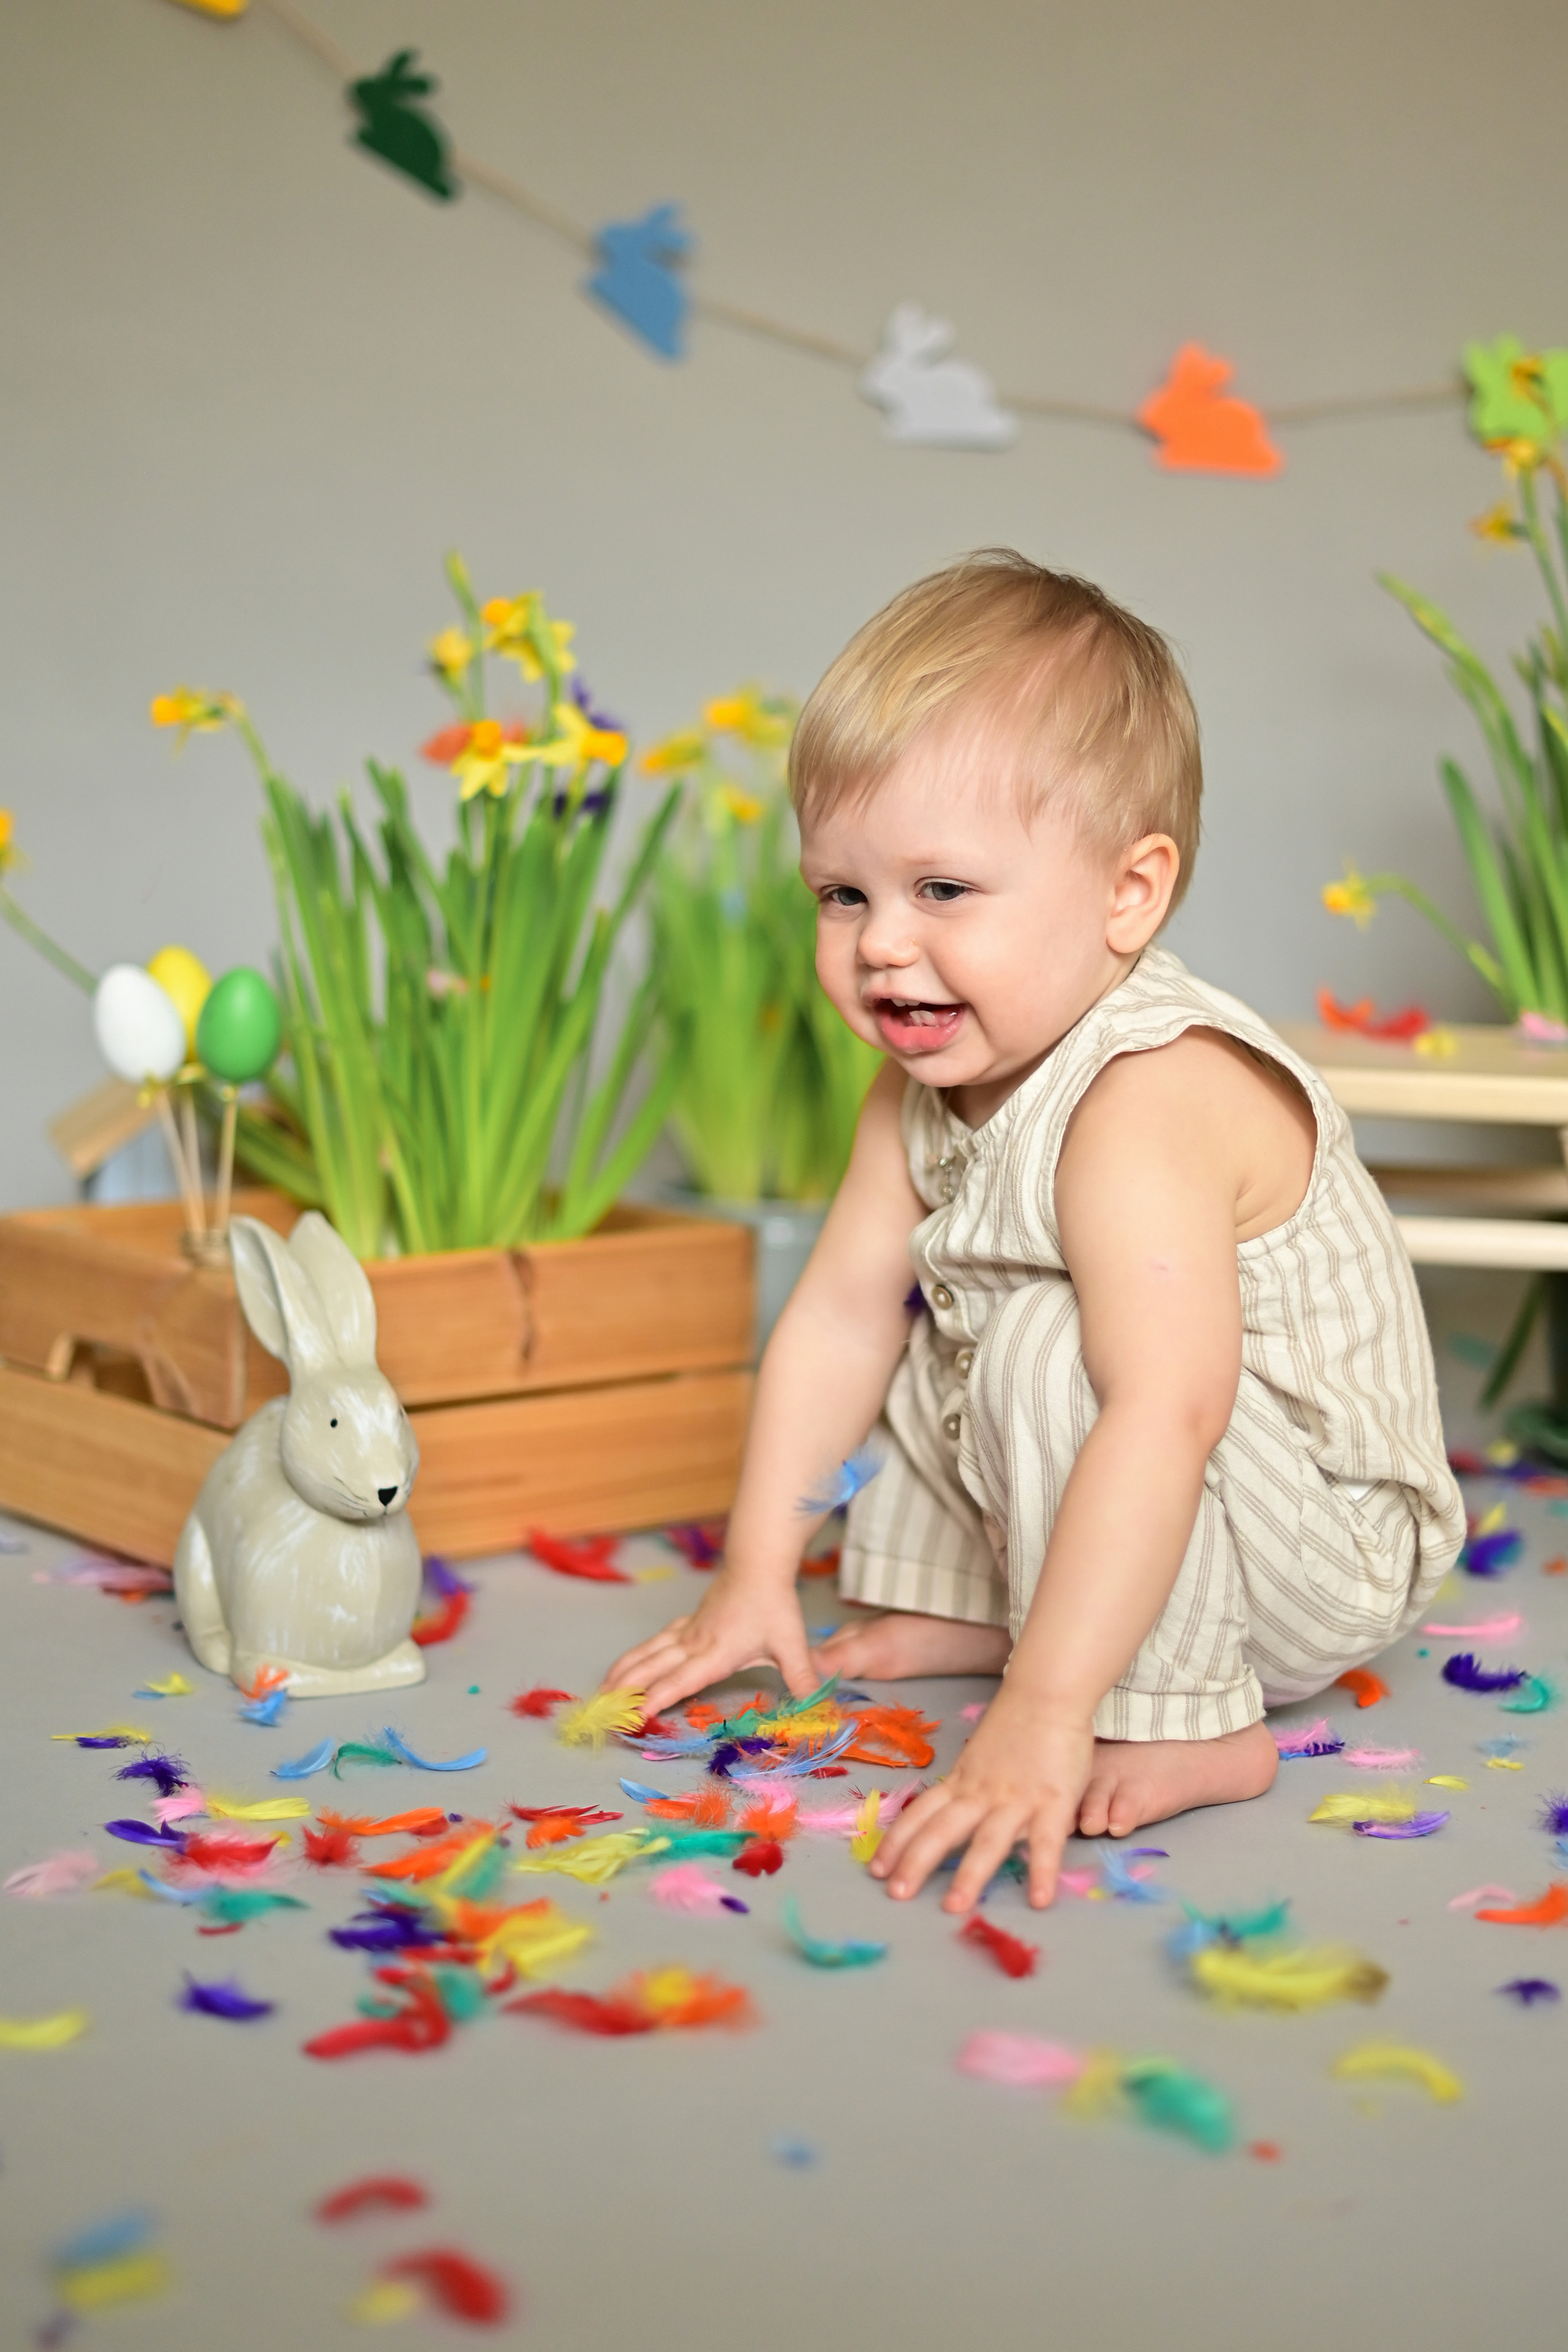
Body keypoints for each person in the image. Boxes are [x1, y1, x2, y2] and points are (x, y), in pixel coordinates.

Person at [608, 551, 1463, 1913]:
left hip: (1314, 1541)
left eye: (941, 892)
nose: (881, 944)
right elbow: (833, 1319)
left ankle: (1187, 1719)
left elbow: (1163, 1413)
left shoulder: (1143, 1097)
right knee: (913, 1306)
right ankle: (996, 1602)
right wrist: (753, 1574)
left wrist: (1045, 1710)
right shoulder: (915, 1097)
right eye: (843, 894)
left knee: (1048, 1334)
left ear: (1128, 895)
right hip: (1149, 1492)